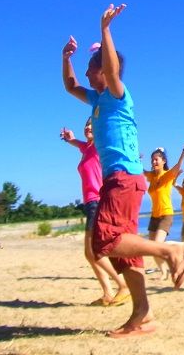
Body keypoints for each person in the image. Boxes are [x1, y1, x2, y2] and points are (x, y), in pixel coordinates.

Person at [61, 4, 184, 338]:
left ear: (104, 71)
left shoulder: (117, 94)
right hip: (121, 179)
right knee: (126, 254)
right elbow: (70, 86)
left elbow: (112, 68)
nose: (87, 75)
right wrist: (66, 58)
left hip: (123, 177)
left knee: (104, 241)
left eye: (91, 69)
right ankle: (142, 316)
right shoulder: (96, 100)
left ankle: (172, 249)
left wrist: (105, 30)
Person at [60, 120, 130, 306]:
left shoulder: (100, 145)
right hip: (90, 202)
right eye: (86, 125)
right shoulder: (88, 147)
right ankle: (108, 293)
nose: (88, 127)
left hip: (97, 201)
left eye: (92, 124)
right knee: (91, 252)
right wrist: (71, 139)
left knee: (93, 251)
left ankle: (122, 285)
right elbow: (80, 145)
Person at [144, 143, 184, 279]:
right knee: (153, 248)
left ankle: (181, 247)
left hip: (166, 214)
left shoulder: (167, 175)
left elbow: (178, 165)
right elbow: (139, 170)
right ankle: (163, 273)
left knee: (157, 244)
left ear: (164, 161)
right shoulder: (151, 176)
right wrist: (135, 159)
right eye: (152, 160)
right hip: (154, 216)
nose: (154, 162)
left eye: (156, 159)